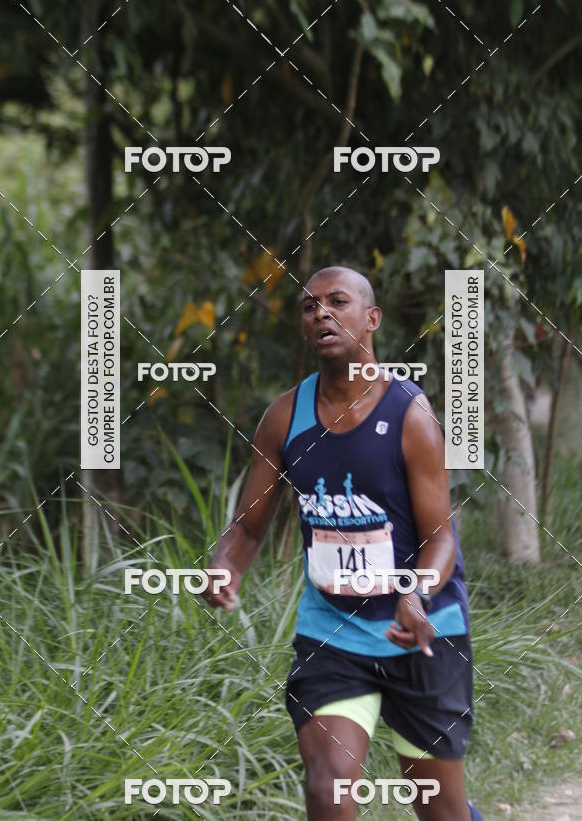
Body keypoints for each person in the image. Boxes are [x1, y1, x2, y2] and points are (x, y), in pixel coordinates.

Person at [202, 265, 483, 820]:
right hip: (334, 630)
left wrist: (416, 593)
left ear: (371, 318)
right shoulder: (285, 417)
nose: (321, 313)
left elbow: (440, 536)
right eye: (309, 306)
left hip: (421, 632)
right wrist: (224, 566)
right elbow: (249, 527)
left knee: (440, 810)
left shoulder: (410, 414)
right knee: (328, 783)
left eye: (337, 302)